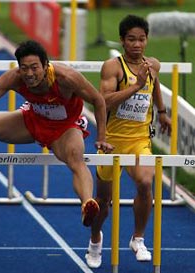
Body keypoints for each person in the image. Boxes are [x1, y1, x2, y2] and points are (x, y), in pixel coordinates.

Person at [0, 40, 113, 227]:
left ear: (45, 64)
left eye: (34, 68)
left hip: (65, 128)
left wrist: (101, 137)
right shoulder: (14, 78)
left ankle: (87, 203)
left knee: (75, 158)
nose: (29, 74)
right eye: (24, 68)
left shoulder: (66, 78)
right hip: (33, 120)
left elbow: (98, 101)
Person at [85, 15, 172, 268]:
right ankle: (95, 240)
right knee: (102, 202)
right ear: (122, 41)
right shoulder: (112, 67)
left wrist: (163, 113)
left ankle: (138, 238)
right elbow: (103, 102)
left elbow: (154, 87)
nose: (137, 44)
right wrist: (136, 86)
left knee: (146, 182)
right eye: (131, 39)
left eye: (142, 39)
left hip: (139, 139)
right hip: (111, 141)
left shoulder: (152, 65)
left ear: (147, 40)